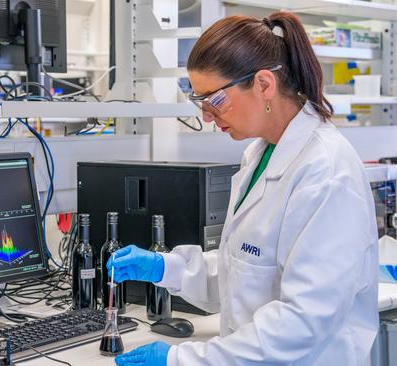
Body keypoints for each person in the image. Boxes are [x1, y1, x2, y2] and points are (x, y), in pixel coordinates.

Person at [107, 11, 379, 366]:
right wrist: (165, 269)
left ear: (264, 84)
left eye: (214, 99)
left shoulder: (326, 171)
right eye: (198, 100)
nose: (206, 115)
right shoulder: (261, 153)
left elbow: (302, 322)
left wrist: (180, 360)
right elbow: (245, 270)